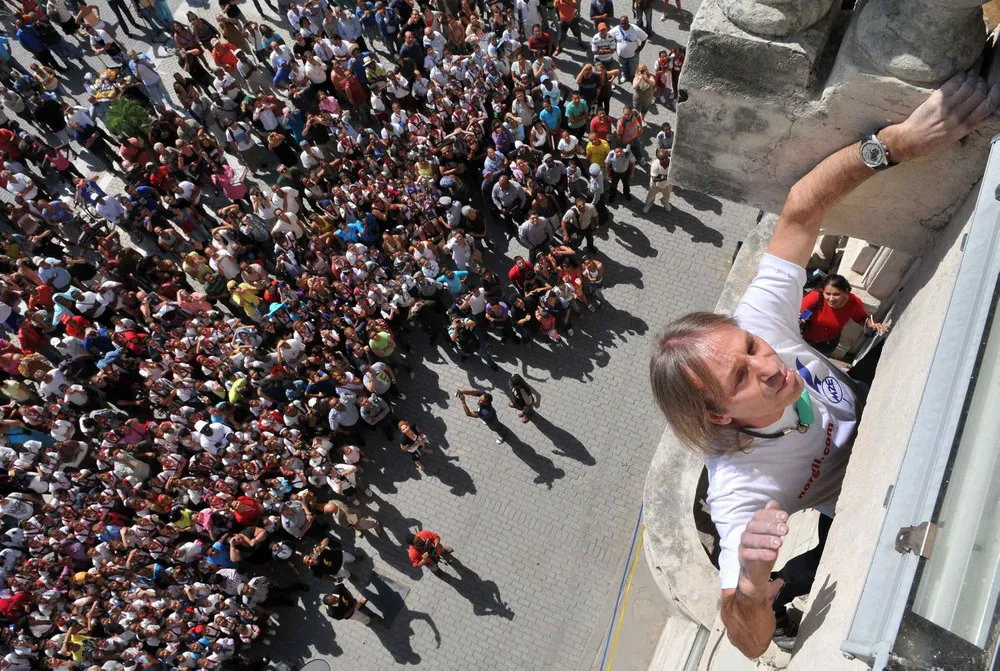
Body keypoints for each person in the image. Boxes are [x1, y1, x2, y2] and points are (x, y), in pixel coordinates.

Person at [647, 72, 998, 657]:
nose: (766, 362)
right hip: (852, 493)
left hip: (869, 398)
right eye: (741, 377)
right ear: (719, 415)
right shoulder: (739, 487)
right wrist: (752, 589)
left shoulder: (760, 322)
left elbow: (799, 212)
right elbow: (747, 641)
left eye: (751, 348)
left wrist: (895, 144)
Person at [799, 274, 888, 355]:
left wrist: (872, 324)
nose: (831, 299)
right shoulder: (815, 297)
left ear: (845, 292)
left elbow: (861, 318)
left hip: (828, 344)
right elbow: (797, 314)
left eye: (836, 294)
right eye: (828, 294)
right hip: (805, 339)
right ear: (823, 290)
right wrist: (799, 319)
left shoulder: (853, 302)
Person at [644, 148, 672, 213]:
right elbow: (654, 179)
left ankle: (665, 202)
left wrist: (661, 177)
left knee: (667, 195)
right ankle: (648, 204)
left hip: (667, 184)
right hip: (655, 185)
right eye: (662, 159)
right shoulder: (655, 165)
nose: (665, 160)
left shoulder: (672, 163)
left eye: (666, 157)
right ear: (658, 159)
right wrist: (667, 177)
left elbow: (674, 175)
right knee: (651, 196)